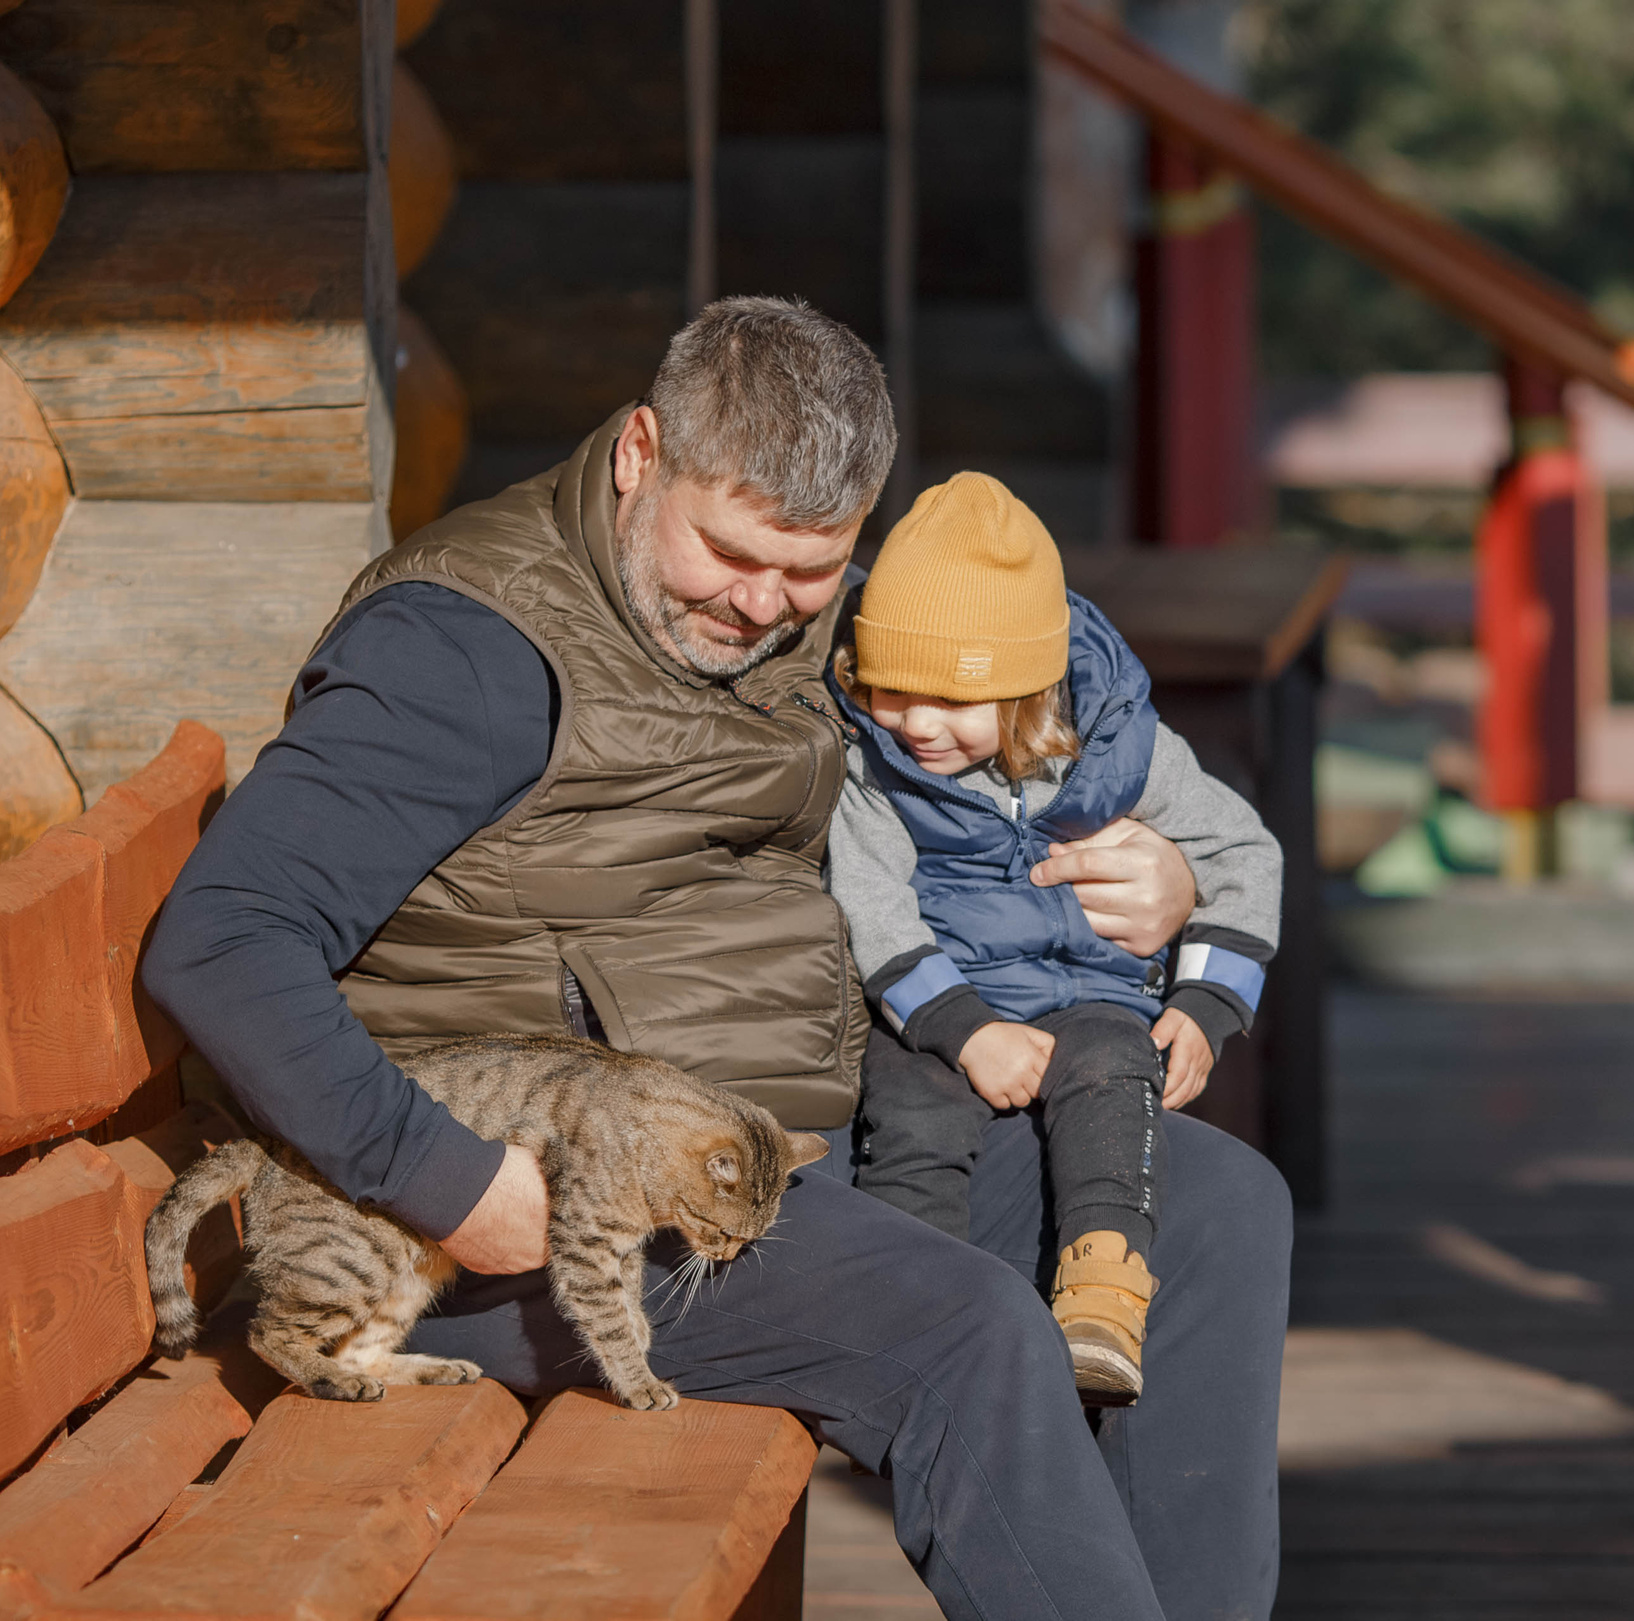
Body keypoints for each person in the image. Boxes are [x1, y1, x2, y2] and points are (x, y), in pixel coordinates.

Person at [141, 297, 1290, 1620]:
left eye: (813, 568)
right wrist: (446, 1179)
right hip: (543, 1213)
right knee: (965, 1330)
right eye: (729, 552)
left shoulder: (826, 628)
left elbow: (1031, 718)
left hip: (790, 1141)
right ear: (641, 454)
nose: (764, 605)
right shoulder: (465, 651)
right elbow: (223, 939)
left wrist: (1178, 869)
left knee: (1211, 1209)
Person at [828, 471, 1281, 1407]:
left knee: (1117, 1081)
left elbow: (1243, 852)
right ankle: (907, 1306)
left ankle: (1104, 1297)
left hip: (1093, 997)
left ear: (1027, 690)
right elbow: (868, 897)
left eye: (949, 700)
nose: (915, 724)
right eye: (889, 689)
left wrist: (1205, 1002)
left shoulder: (1120, 752)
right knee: (909, 1111)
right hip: (943, 995)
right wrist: (962, 1028)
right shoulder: (878, 767)